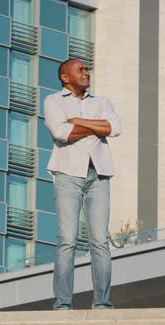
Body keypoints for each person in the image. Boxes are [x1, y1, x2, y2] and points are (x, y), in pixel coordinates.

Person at [44, 58, 122, 310]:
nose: (86, 73)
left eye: (87, 69)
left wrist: (79, 122)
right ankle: (63, 304)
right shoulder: (54, 101)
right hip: (67, 174)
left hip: (99, 175)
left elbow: (115, 128)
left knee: (99, 241)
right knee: (67, 239)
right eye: (81, 70)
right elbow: (60, 133)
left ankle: (102, 304)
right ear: (65, 77)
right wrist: (96, 128)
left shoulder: (101, 102)